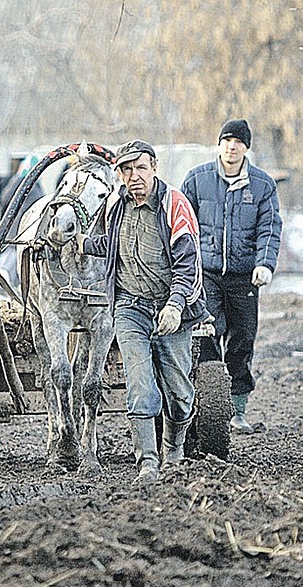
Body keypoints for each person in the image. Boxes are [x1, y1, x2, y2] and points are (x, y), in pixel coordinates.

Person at [80, 140, 209, 485]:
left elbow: (188, 261)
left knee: (180, 396)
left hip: (170, 310)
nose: (134, 176)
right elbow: (108, 244)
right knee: (140, 387)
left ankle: (174, 446)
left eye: (140, 168)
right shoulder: (114, 206)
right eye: (126, 170)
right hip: (129, 307)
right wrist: (79, 242)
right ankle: (148, 464)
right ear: (119, 174)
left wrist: (176, 304)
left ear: (153, 167)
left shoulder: (174, 204)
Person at [181, 119, 282, 431]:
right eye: (226, 140)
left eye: (238, 142)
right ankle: (208, 404)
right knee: (206, 333)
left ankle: (238, 409)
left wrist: (264, 263)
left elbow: (269, 228)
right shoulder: (198, 180)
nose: (231, 146)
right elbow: (182, 223)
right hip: (206, 273)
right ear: (219, 144)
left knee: (241, 340)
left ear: (246, 148)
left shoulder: (262, 185)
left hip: (244, 277)